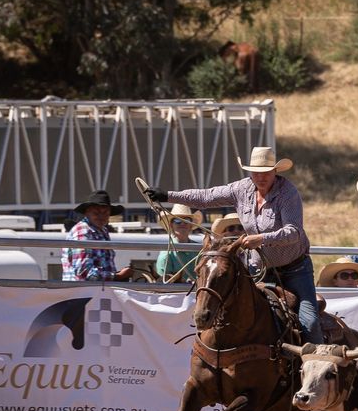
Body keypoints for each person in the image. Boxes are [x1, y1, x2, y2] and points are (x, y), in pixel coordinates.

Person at [145, 147, 323, 343]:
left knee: (310, 322)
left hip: (294, 269)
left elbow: (294, 232)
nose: (260, 177)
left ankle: (313, 363)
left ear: (275, 171)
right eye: (256, 172)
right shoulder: (241, 189)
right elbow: (206, 197)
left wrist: (261, 238)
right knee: (235, 315)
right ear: (249, 172)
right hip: (259, 269)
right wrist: (167, 196)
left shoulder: (287, 194)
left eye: (265, 172)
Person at [61, 190, 133, 282]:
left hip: (95, 291)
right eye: (96, 213)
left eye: (105, 213)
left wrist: (116, 276)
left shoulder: (102, 230)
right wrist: (117, 276)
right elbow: (83, 271)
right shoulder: (82, 230)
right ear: (87, 212)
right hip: (82, 292)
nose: (101, 216)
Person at [156, 204, 202, 282]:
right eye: (177, 220)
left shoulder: (200, 250)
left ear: (191, 225)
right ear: (171, 225)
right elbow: (163, 283)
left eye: (186, 220)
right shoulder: (166, 254)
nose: (182, 223)